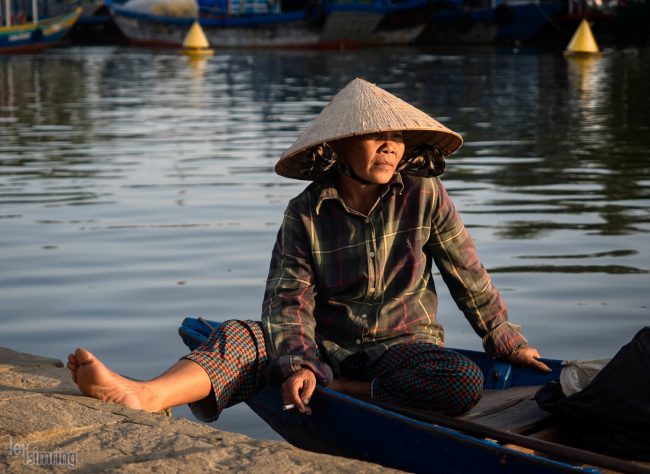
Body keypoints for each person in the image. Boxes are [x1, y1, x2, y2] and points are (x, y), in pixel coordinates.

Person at [67, 78, 550, 422]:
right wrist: (299, 364)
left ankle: (347, 392)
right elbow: (287, 303)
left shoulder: (425, 195)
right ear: (340, 147)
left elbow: (469, 276)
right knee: (243, 336)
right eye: (374, 135)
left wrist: (507, 341)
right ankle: (143, 395)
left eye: (396, 137)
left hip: (403, 353)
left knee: (462, 380)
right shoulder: (305, 213)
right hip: (324, 347)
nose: (389, 146)